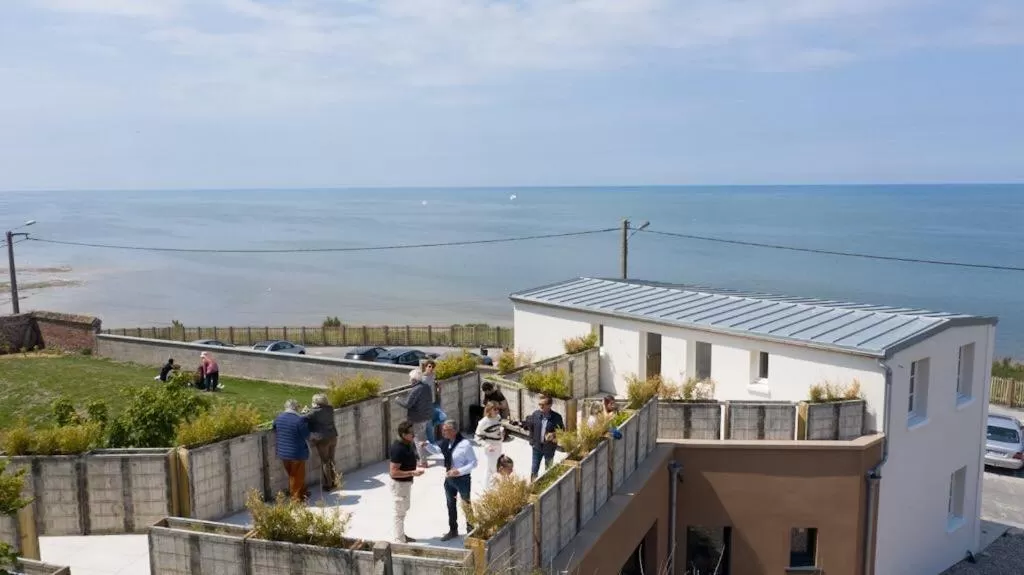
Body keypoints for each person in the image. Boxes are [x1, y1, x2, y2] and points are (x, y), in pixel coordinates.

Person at [423, 420, 477, 541]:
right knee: (450, 504)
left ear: (454, 431)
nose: (443, 432)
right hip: (449, 479)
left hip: (462, 479)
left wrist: (459, 471)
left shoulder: (465, 444)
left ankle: (471, 531)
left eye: (446, 430)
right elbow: (437, 450)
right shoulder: (446, 442)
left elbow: (473, 463)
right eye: (443, 429)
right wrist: (427, 445)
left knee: (466, 505)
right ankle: (453, 530)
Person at [390, 421, 425, 543]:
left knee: (404, 509)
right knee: (399, 513)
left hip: (406, 484)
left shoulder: (407, 444)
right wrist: (412, 473)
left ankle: (401, 535)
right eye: (411, 433)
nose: (413, 434)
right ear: (404, 434)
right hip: (399, 485)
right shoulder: (398, 448)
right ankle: (399, 540)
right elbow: (393, 472)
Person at [273, 399, 311, 501]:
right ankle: (296, 498)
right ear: (296, 408)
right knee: (297, 476)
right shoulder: (299, 420)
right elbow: (307, 435)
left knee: (292, 474)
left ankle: (302, 492)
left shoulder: (279, 417)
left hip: (283, 453)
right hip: (297, 453)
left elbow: (274, 426)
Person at [396, 368, 434, 468]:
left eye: (410, 378)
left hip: (417, 418)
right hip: (426, 416)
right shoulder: (426, 387)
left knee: (418, 440)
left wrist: (398, 399)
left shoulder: (415, 389)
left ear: (414, 379)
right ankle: (422, 457)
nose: (409, 380)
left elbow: (407, 404)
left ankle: (423, 462)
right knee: (422, 438)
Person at [524, 395, 564, 481]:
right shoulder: (535, 414)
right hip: (537, 448)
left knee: (548, 470)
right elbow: (531, 428)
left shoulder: (557, 417)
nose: (540, 407)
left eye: (543, 404)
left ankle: (547, 486)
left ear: (550, 405)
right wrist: (532, 441)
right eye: (539, 404)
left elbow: (561, 431)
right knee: (534, 469)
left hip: (549, 448)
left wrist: (553, 435)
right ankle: (533, 486)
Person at [305, 393, 339, 491]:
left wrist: (305, 411)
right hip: (333, 436)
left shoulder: (314, 412)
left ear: (316, 402)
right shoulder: (330, 409)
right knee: (331, 459)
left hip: (323, 439)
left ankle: (328, 484)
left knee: (325, 461)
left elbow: (303, 418)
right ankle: (335, 481)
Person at [474, 402, 504, 487]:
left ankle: (491, 486)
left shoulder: (498, 417)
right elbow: (477, 437)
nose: (497, 411)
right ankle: (488, 487)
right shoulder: (483, 422)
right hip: (490, 448)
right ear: (489, 410)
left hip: (499, 445)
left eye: (498, 409)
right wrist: (487, 445)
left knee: (495, 467)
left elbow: (498, 429)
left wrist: (502, 433)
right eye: (495, 409)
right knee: (492, 469)